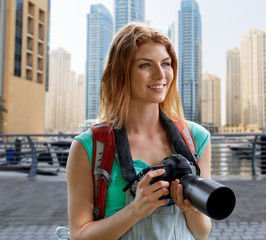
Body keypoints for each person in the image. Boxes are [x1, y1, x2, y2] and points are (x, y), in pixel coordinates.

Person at [66, 23, 212, 240]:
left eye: (166, 63)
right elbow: (79, 235)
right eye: (145, 65)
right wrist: (135, 210)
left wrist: (189, 208)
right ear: (121, 73)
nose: (160, 74)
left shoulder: (197, 138)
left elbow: (201, 232)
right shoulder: (89, 146)